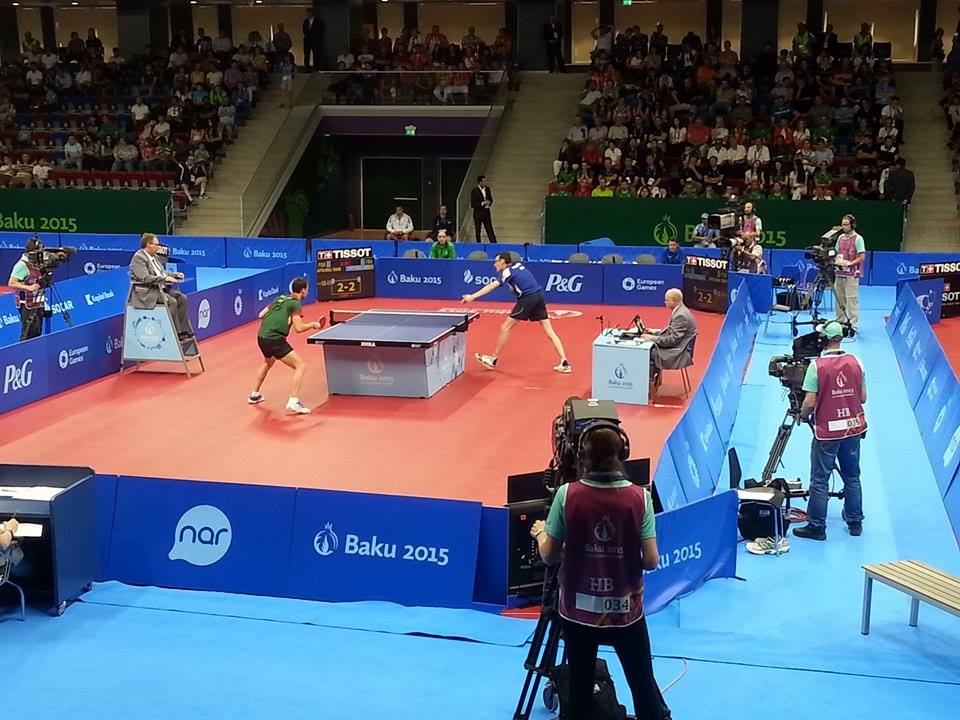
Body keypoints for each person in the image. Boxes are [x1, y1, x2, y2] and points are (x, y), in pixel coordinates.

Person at [530, 426, 665, 720]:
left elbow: (549, 555)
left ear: (582, 457)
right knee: (643, 686)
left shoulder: (567, 495)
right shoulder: (640, 498)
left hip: (578, 615)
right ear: (622, 454)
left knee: (579, 691)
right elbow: (651, 561)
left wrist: (541, 533)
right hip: (625, 613)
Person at [793, 321, 867, 541]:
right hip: (853, 428)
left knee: (820, 479)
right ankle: (855, 522)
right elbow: (863, 397)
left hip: (827, 432)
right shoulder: (856, 361)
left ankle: (816, 527)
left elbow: (809, 401)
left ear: (823, 340)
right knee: (852, 476)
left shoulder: (817, 366)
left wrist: (803, 416)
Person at [462, 252, 570, 373]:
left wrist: (472, 296)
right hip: (538, 295)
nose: (494, 264)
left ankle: (493, 359)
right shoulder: (518, 265)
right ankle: (564, 362)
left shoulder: (507, 272)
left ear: (502, 262)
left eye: (496, 261)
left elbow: (492, 286)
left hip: (528, 298)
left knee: (505, 327)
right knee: (549, 331)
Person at [248, 277, 325, 414]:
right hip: (275, 340)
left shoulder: (279, 298)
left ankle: (254, 394)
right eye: (307, 289)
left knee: (268, 362)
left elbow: (261, 314)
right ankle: (293, 401)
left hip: (261, 337)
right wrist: (313, 324)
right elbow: (299, 328)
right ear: (302, 290)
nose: (308, 291)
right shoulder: (295, 304)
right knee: (300, 366)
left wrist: (279, 319)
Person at [129, 233, 194, 340]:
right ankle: (175, 334)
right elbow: (145, 278)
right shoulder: (138, 258)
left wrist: (174, 275)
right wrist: (165, 279)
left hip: (160, 289)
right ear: (148, 244)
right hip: (147, 291)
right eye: (156, 245)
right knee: (172, 301)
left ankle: (184, 330)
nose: (158, 247)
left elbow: (161, 273)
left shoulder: (154, 257)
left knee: (182, 298)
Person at [640, 288, 698, 378]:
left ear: (673, 301)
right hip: (681, 346)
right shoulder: (682, 310)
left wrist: (652, 338)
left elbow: (672, 340)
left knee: (647, 352)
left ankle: (648, 382)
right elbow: (672, 332)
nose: (665, 302)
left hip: (679, 352)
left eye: (666, 300)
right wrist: (655, 332)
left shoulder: (680, 315)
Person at [832, 214, 865, 333]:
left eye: (846, 224)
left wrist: (850, 264)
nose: (844, 227)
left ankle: (853, 325)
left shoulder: (858, 239)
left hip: (852, 274)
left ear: (852, 225)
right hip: (839, 272)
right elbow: (837, 252)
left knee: (851, 300)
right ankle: (840, 322)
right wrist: (836, 261)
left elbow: (861, 257)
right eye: (843, 224)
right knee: (839, 299)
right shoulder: (840, 238)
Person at [7, 238, 45, 341]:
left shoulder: (37, 263)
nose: (42, 253)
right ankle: (23, 351)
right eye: (40, 250)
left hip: (37, 300)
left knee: (37, 332)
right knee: (28, 333)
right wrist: (29, 287)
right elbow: (11, 283)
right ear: (33, 251)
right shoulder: (21, 265)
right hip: (27, 304)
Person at [470, 175, 497, 244]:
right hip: (478, 214)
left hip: (486, 213)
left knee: (490, 229)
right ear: (480, 182)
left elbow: (491, 199)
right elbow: (473, 203)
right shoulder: (474, 191)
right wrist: (482, 203)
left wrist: (489, 202)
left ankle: (494, 244)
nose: (485, 182)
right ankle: (479, 244)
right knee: (478, 230)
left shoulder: (487, 189)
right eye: (483, 181)